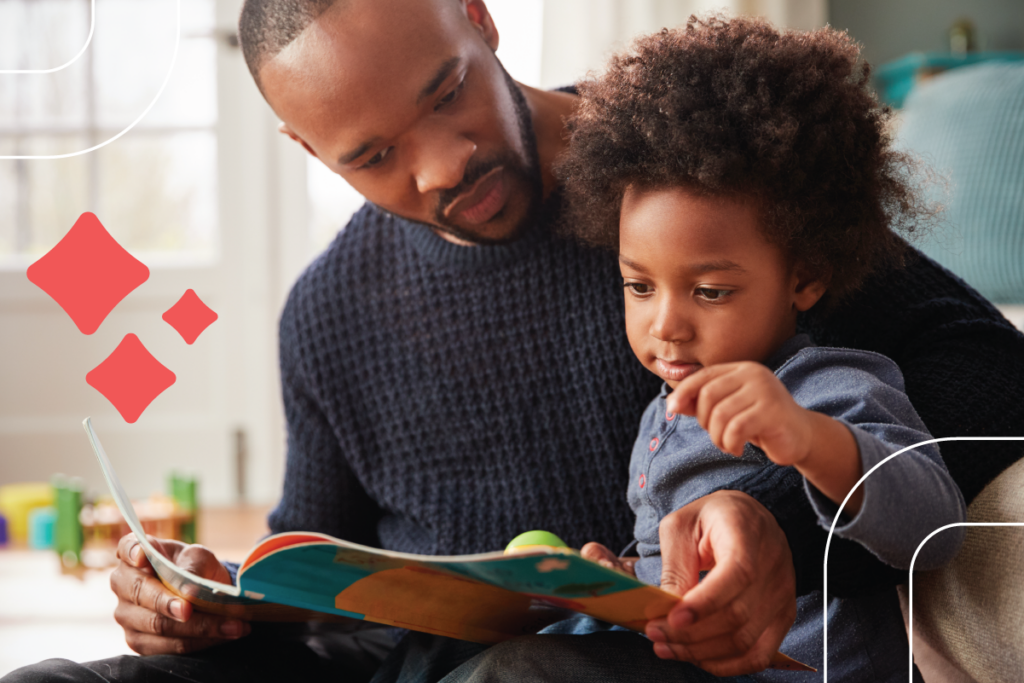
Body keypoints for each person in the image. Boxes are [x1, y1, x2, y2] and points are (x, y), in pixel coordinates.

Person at [5, 1, 1023, 682]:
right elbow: (321, 585)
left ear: (480, 16)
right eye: (373, 155)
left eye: (445, 90)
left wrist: (779, 530)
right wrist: (204, 601)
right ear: (308, 150)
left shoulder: (689, 190)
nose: (444, 162)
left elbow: (988, 368)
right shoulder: (326, 314)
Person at [547, 17, 965, 681]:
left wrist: (807, 437)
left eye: (710, 291)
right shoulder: (661, 421)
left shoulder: (829, 387)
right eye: (639, 285)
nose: (668, 324)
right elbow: (677, 581)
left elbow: (935, 524)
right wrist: (619, 581)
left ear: (803, 277)